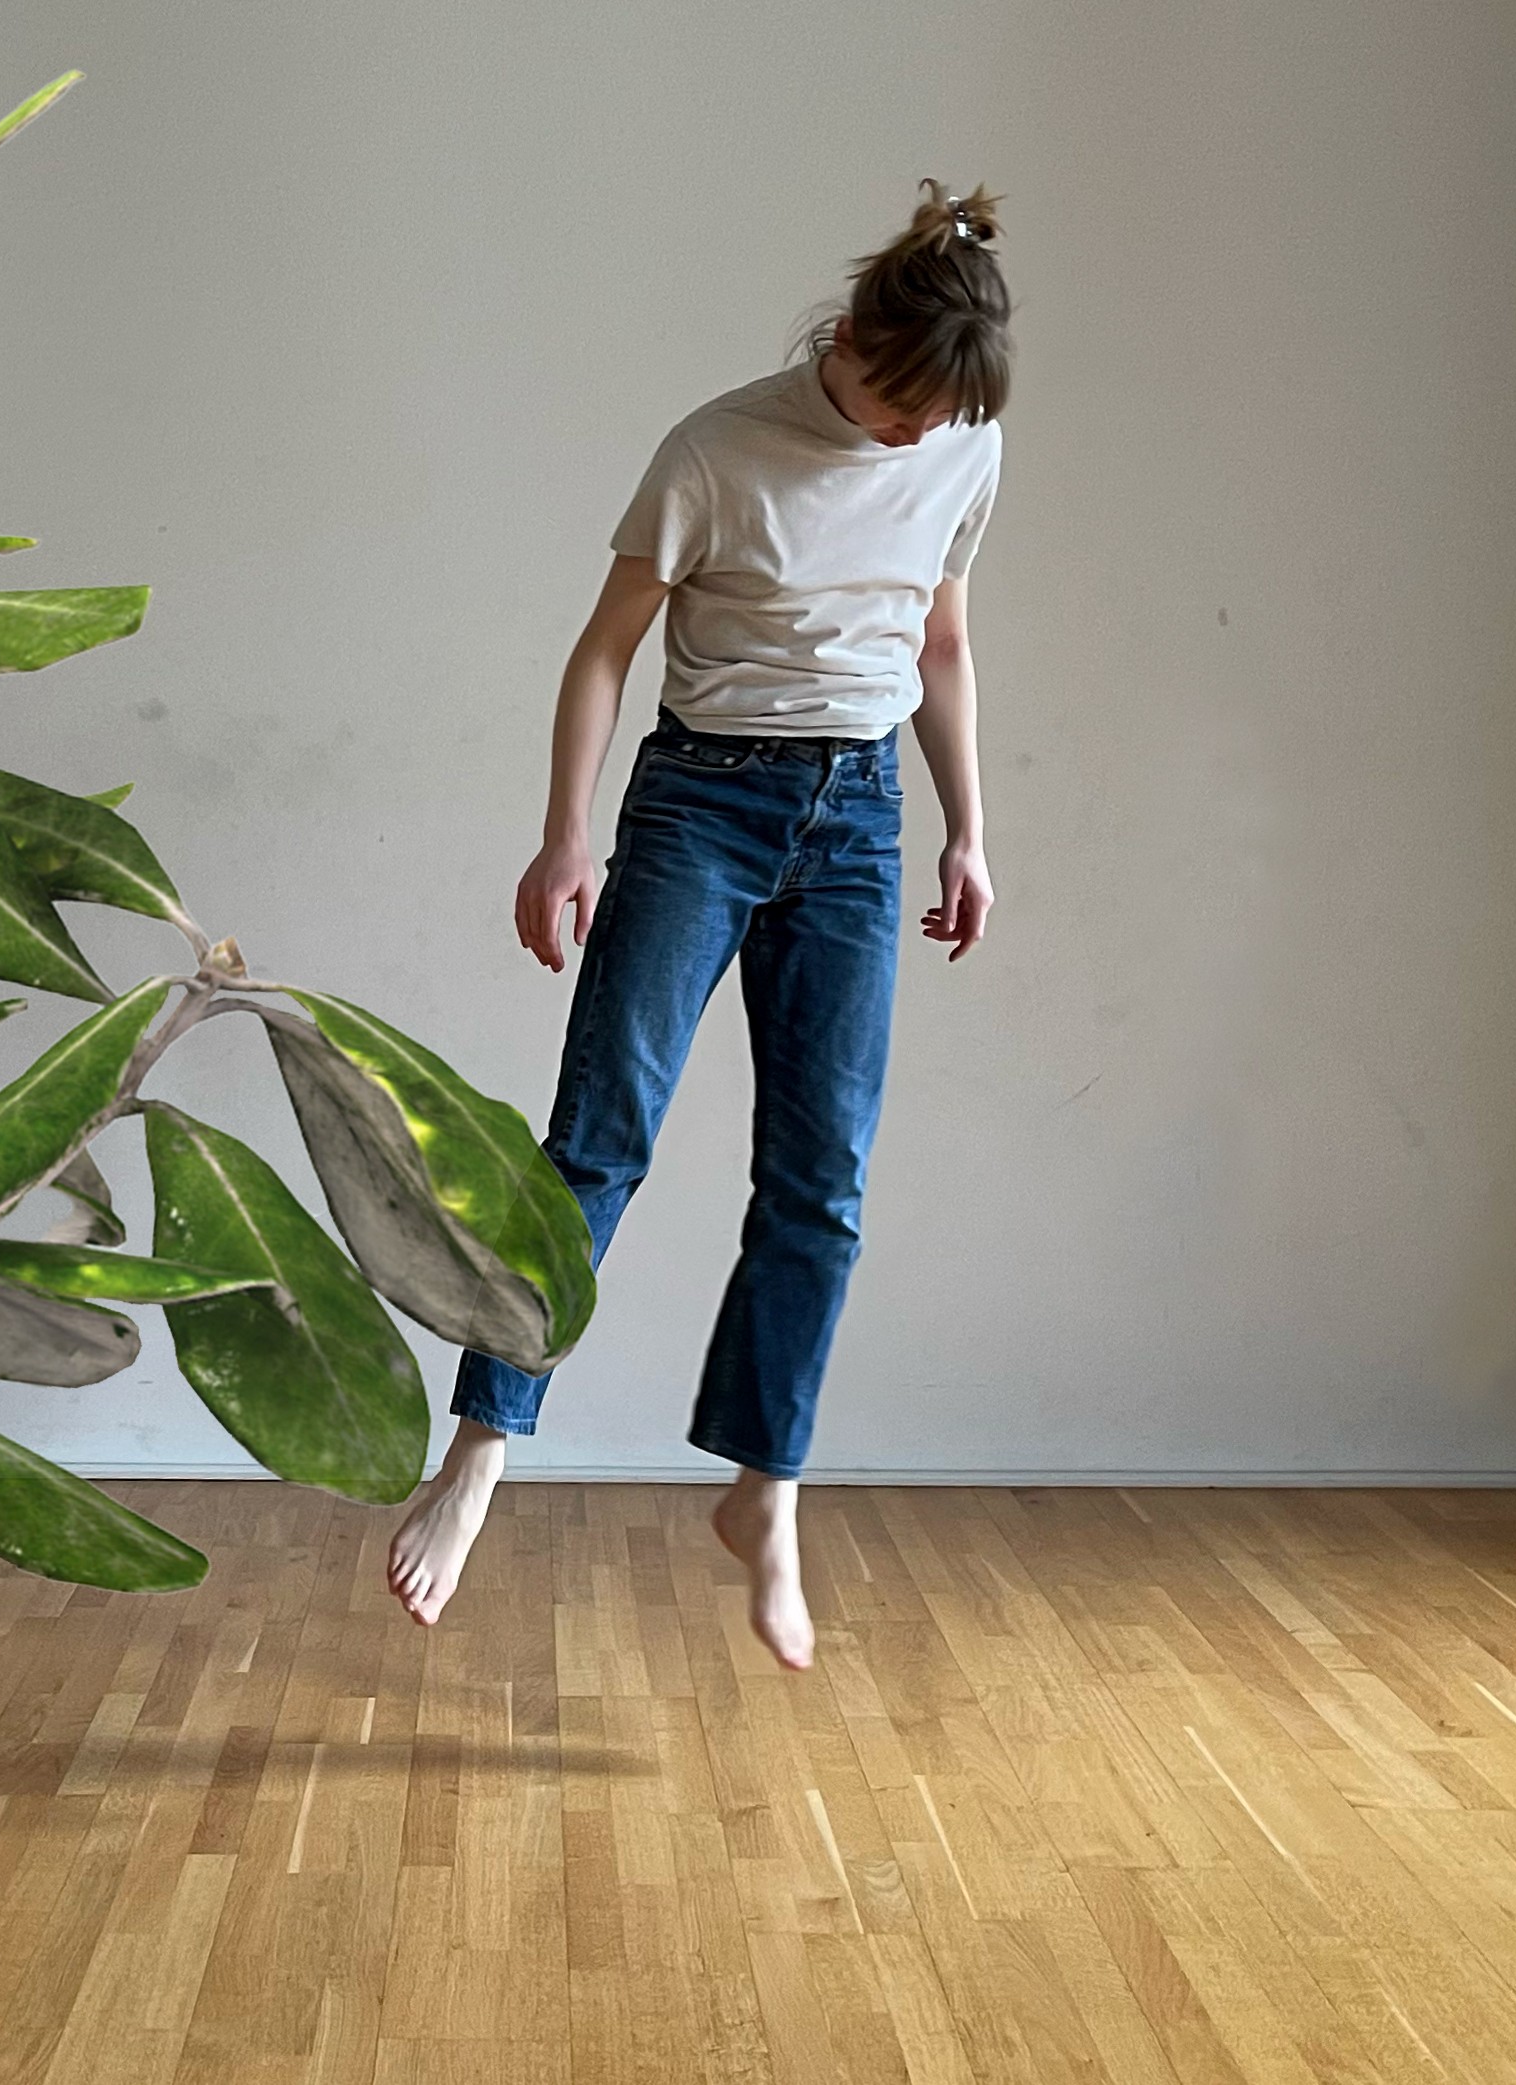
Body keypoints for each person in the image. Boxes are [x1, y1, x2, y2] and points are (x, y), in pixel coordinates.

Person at [386, 182, 1012, 1665]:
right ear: (847, 344)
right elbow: (602, 651)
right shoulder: (715, 450)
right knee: (597, 1137)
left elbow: (940, 640)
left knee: (822, 1179)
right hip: (703, 805)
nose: (914, 435)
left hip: (858, 820)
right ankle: (478, 1451)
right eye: (897, 403)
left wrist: (971, 828)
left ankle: (765, 1485)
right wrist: (566, 835)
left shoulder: (963, 443)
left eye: (940, 418)